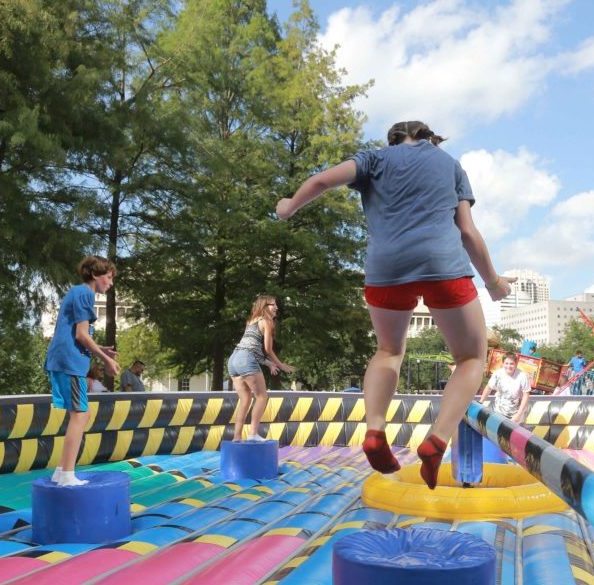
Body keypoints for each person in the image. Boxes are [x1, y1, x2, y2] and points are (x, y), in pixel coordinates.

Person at [276, 120, 513, 490]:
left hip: (385, 267)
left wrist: (289, 206)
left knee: (388, 351)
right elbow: (467, 231)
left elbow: (322, 181)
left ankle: (374, 429)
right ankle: (436, 439)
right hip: (442, 265)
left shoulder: (374, 159)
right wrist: (494, 283)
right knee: (470, 358)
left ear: (393, 139)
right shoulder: (449, 164)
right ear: (430, 138)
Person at [44, 256, 120, 486]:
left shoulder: (77, 293)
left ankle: (61, 470)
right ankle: (67, 474)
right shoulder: (85, 293)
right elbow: (81, 335)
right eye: (109, 277)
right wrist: (106, 359)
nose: (110, 283)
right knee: (81, 415)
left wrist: (102, 349)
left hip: (65, 360)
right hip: (69, 363)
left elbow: (76, 333)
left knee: (80, 414)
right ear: (96, 275)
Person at [227, 295, 295, 441]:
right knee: (262, 397)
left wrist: (268, 363)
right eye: (273, 305)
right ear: (265, 306)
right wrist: (280, 364)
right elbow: (268, 349)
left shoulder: (251, 321)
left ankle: (236, 437)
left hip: (233, 359)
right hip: (245, 358)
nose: (276, 307)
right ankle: (252, 434)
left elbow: (251, 347)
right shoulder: (267, 321)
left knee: (245, 399)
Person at [478, 353, 532, 423]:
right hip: (498, 412)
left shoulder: (522, 376)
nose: (509, 366)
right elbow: (489, 387)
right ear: (503, 363)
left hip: (515, 415)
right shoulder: (497, 374)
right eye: (506, 363)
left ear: (516, 364)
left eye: (511, 364)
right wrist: (481, 401)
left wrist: (518, 414)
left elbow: (526, 395)